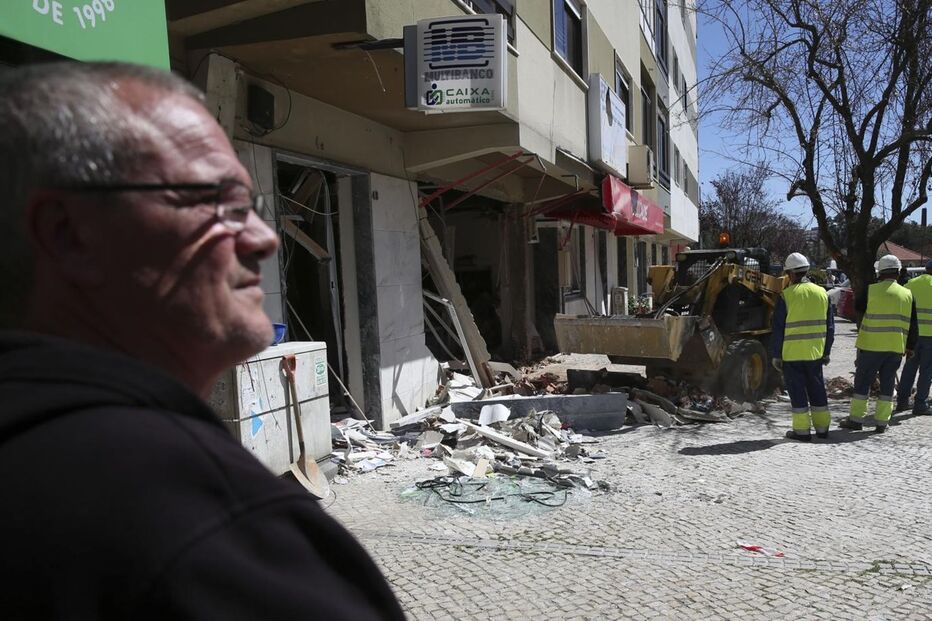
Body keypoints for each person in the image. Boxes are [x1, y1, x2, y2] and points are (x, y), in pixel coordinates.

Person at [0, 62, 404, 619]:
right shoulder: (196, 522)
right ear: (69, 234)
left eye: (254, 209)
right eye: (224, 205)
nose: (264, 240)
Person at [839, 254, 918, 433]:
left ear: (879, 273)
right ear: (898, 273)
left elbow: (858, 306)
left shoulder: (871, 290)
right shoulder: (907, 295)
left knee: (862, 384)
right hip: (895, 348)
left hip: (871, 347)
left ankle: (856, 420)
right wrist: (911, 346)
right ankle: (882, 422)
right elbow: (914, 324)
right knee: (888, 385)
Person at [771, 253, 834, 441]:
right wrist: (827, 351)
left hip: (792, 355)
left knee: (798, 393)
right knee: (818, 390)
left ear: (790, 273)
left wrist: (776, 355)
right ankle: (823, 430)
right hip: (815, 353)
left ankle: (802, 432)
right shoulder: (823, 293)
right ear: (806, 271)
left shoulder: (786, 296)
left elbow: (778, 329)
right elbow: (830, 326)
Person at [895, 259, 932, 415]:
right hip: (930, 337)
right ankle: (920, 404)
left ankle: (902, 402)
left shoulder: (910, 284)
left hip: (911, 336)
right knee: (927, 371)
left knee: (909, 369)